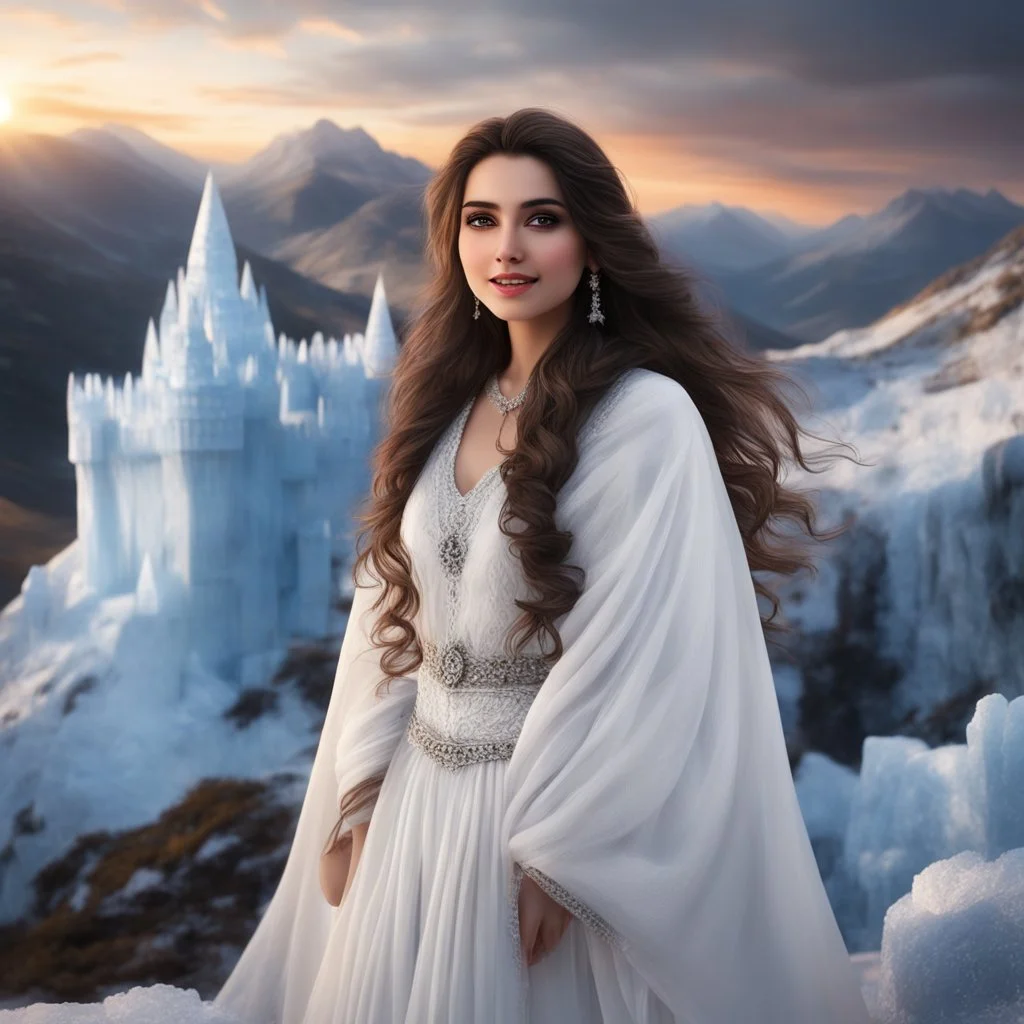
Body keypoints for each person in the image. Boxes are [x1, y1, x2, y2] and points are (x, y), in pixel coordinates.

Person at [214, 107, 874, 1023]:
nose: (508, 245)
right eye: (482, 218)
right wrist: (359, 793)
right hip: (415, 824)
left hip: (539, 830)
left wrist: (563, 857)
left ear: (593, 245)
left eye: (543, 217)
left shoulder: (645, 418)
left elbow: (646, 655)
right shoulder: (449, 410)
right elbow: (393, 620)